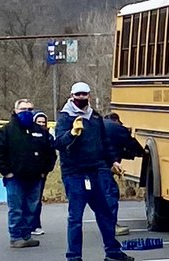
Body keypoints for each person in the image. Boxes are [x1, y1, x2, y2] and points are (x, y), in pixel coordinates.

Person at [55, 82, 135, 261]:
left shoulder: (95, 118)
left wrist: (113, 161)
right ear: (72, 95)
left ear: (89, 96)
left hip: (95, 171)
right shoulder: (65, 118)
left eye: (85, 95)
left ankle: (113, 252)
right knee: (76, 217)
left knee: (105, 213)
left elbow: (104, 142)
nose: (82, 98)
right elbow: (58, 143)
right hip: (74, 173)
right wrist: (72, 133)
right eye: (78, 95)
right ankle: (74, 257)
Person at [0, 98, 56, 249]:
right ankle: (16, 237)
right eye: (23, 109)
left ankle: (26, 236)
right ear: (15, 111)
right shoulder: (6, 131)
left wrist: (45, 171)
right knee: (16, 209)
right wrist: (7, 173)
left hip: (36, 178)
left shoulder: (40, 131)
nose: (27, 112)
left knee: (31, 208)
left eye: (30, 109)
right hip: (15, 179)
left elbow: (51, 153)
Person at [104, 112, 145, 237]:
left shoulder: (98, 125)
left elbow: (113, 148)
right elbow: (133, 146)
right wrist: (143, 153)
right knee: (111, 193)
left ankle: (106, 224)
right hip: (103, 168)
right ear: (116, 120)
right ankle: (111, 226)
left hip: (87, 167)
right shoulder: (117, 128)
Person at [31, 111, 52, 236]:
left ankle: (35, 225)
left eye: (43, 122)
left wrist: (46, 170)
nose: (41, 124)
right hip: (26, 172)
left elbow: (51, 156)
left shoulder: (48, 137)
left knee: (36, 200)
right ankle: (23, 225)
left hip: (40, 174)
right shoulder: (28, 135)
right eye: (38, 122)